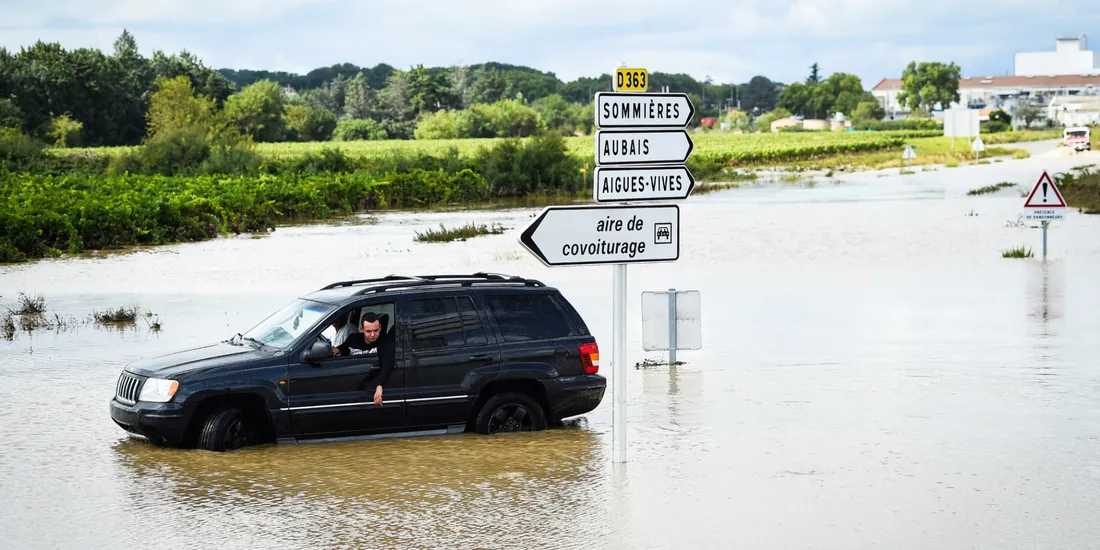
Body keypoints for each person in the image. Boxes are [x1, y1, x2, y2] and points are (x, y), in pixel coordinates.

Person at [336, 312, 393, 406]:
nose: (372, 334)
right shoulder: (353, 339)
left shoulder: (385, 341)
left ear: (380, 328)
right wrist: (336, 350)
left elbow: (387, 363)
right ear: (362, 329)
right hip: (351, 387)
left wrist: (379, 386)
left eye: (376, 330)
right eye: (368, 331)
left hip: (371, 385)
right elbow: (342, 349)